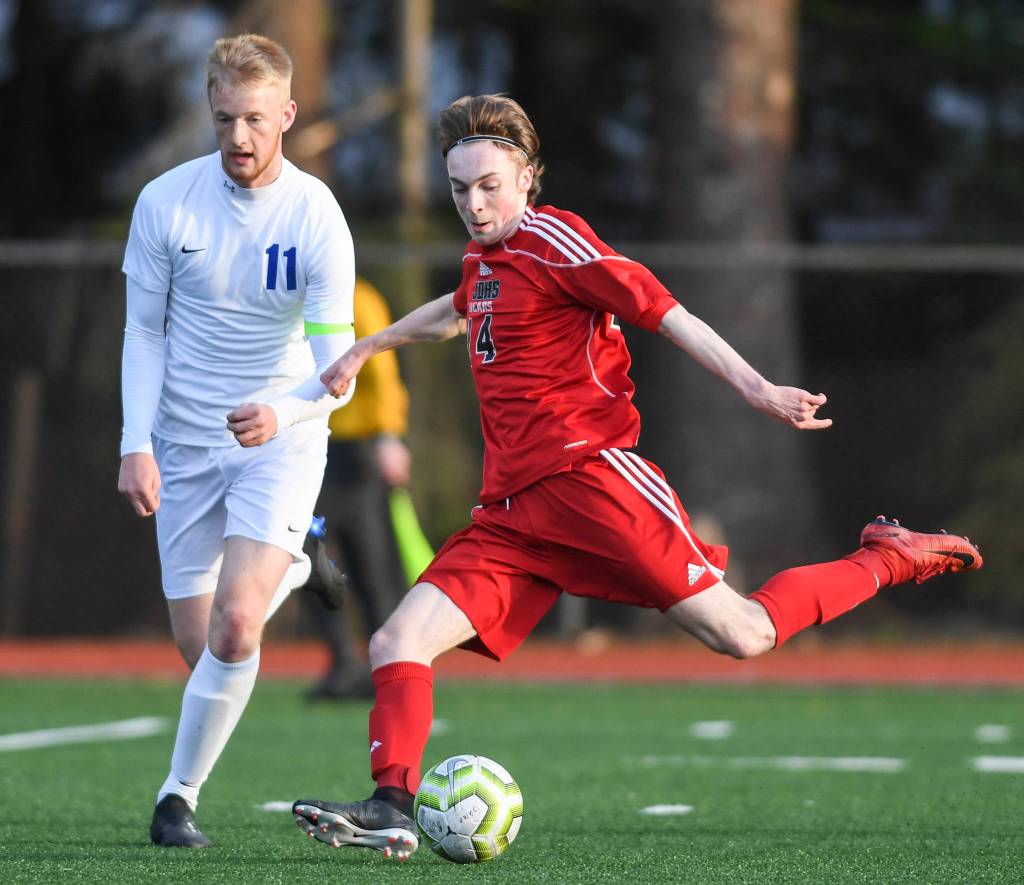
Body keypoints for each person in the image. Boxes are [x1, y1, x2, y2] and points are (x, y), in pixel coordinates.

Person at [291, 94, 983, 861]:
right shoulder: (484, 258)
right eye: (459, 189)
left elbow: (664, 310)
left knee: (743, 633)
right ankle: (391, 804)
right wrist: (366, 348)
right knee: (397, 638)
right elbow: (456, 311)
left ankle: (888, 554)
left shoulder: (556, 238)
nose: (474, 204)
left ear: (527, 177)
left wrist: (758, 388)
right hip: (515, 514)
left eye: (489, 185)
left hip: (595, 484)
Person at [118, 33, 355, 848]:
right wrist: (135, 443)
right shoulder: (166, 203)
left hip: (282, 439)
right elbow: (142, 335)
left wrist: (282, 415)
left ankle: (176, 798)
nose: (239, 138)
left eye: (255, 118)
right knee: (201, 650)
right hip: (183, 449)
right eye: (225, 119)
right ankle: (303, 559)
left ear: (287, 114)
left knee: (234, 629)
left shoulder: (316, 212)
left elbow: (338, 366)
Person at [302, 277, 416, 701]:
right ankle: (343, 661)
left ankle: (386, 667)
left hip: (354, 455)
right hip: (304, 451)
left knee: (371, 563)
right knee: (305, 557)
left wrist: (388, 436)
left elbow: (383, 373)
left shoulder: (360, 298)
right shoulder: (285, 299)